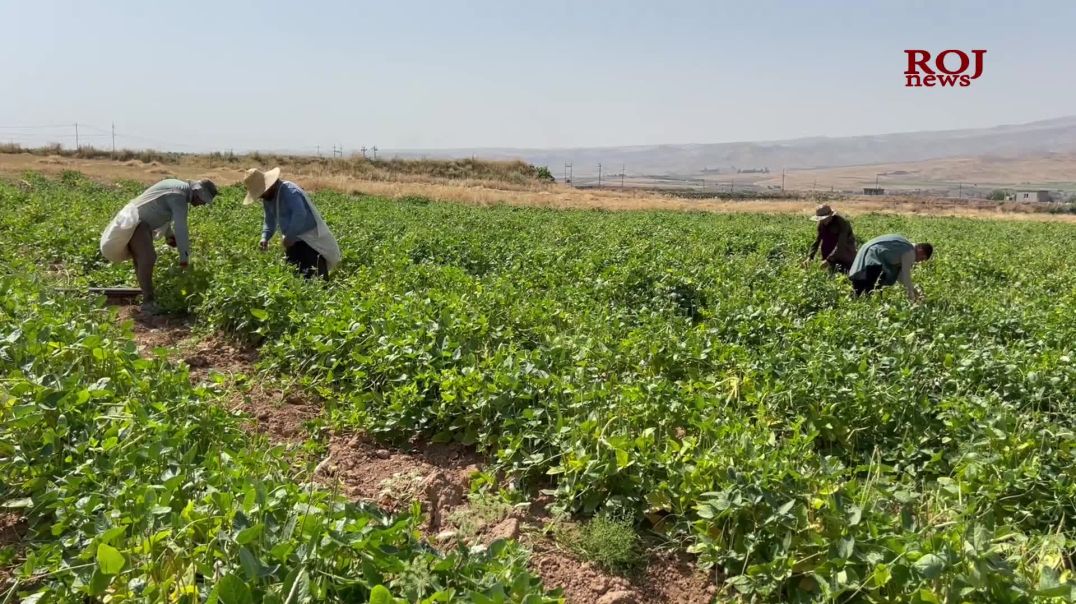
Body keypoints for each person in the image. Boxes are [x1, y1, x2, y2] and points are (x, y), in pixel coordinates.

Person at [99, 178, 218, 314]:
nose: (202, 204)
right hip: (137, 224)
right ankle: (148, 302)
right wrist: (184, 259)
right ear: (198, 192)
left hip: (138, 223)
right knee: (148, 258)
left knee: (142, 259)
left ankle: (147, 298)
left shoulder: (177, 188)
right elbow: (181, 229)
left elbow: (158, 209)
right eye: (203, 201)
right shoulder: (179, 197)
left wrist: (168, 235)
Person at [243, 167, 341, 279]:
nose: (261, 196)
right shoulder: (268, 198)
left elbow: (300, 214)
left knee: (316, 278)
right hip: (292, 240)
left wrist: (290, 236)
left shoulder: (289, 191)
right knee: (294, 278)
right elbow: (269, 220)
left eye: (261, 192)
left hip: (310, 241)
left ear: (270, 185)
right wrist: (264, 237)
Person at [848, 234, 933, 301]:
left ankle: (852, 302)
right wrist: (912, 298)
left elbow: (901, 277)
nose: (918, 261)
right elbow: (906, 276)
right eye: (922, 258)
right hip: (874, 256)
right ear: (920, 250)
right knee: (874, 288)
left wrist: (914, 291)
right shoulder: (910, 252)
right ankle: (869, 306)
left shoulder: (904, 246)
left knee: (861, 284)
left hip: (867, 250)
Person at [806, 204, 856, 273]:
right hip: (829, 252)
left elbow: (841, 245)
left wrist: (828, 260)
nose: (823, 220)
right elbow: (817, 241)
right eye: (821, 219)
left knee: (846, 272)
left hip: (845, 252)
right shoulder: (821, 224)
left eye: (825, 218)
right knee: (829, 273)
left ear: (830, 215)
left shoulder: (842, 223)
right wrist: (810, 257)